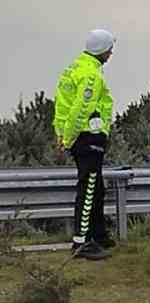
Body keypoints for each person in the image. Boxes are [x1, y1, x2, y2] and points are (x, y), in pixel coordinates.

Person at [53, 29, 117, 260]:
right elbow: (81, 110)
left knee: (96, 187)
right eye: (109, 49)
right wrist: (68, 138)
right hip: (88, 136)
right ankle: (82, 242)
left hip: (79, 136)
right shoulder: (91, 75)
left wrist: (60, 134)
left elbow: (61, 106)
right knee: (89, 189)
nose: (111, 54)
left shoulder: (74, 68)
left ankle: (98, 234)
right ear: (101, 50)